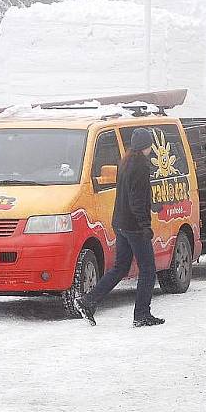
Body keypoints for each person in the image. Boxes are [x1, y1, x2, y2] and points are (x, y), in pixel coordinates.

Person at [75, 128, 164, 327]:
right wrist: (145, 225)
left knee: (120, 267)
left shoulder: (125, 162)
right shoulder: (140, 166)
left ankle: (88, 301)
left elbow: (130, 196)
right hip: (134, 226)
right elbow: (137, 199)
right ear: (146, 146)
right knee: (148, 270)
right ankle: (141, 314)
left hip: (121, 223)